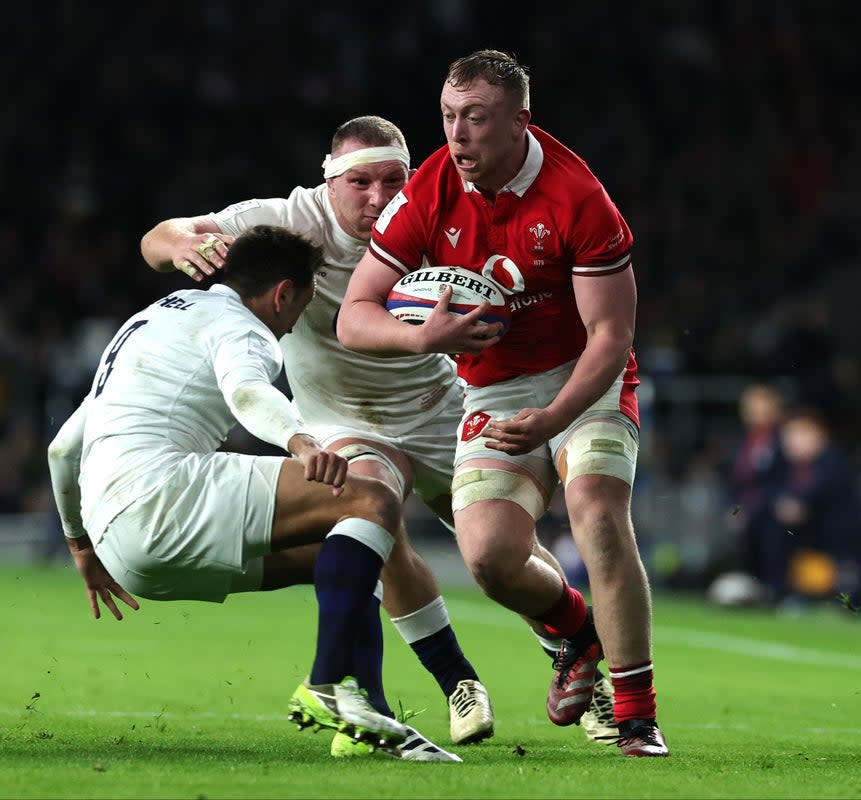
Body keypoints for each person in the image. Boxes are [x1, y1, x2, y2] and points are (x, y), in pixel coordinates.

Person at [138, 115, 620, 749]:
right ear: (329, 180)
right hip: (343, 416)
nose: (378, 196)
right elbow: (161, 235)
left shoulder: (433, 209)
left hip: (439, 404)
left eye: (393, 179)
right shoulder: (288, 218)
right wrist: (176, 247)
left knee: (505, 547)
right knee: (374, 525)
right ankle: (452, 684)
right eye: (360, 181)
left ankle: (569, 650)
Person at [337, 50, 668, 758]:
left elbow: (612, 336)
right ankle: (577, 636)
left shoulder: (579, 198)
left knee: (598, 515)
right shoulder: (429, 187)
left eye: (476, 119)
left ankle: (637, 715)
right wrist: (423, 334)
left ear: (520, 121)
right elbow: (354, 314)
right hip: (492, 388)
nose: (458, 136)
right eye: (449, 117)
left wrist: (553, 420)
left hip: (586, 378)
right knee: (488, 557)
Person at [46, 226, 455, 761]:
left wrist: (81, 547)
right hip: (166, 496)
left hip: (121, 551)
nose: (291, 327)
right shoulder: (244, 328)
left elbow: (62, 448)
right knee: (373, 498)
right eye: (300, 308)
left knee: (353, 552)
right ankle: (329, 682)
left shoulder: (151, 321)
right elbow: (246, 389)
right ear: (283, 293)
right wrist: (302, 443)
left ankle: (365, 709)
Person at [774, 407, 861, 605]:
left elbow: (819, 492)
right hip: (816, 544)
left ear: (819, 434)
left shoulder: (833, 462)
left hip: (846, 546)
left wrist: (798, 505)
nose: (792, 440)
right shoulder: (789, 468)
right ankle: (779, 589)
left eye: (800, 432)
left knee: (854, 603)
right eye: (788, 434)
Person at [724, 381, 790, 602]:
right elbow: (737, 483)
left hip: (772, 508)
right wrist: (735, 510)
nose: (753, 411)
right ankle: (754, 591)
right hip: (747, 509)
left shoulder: (784, 440)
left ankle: (777, 591)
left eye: (759, 405)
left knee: (772, 535)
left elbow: (786, 477)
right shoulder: (745, 441)